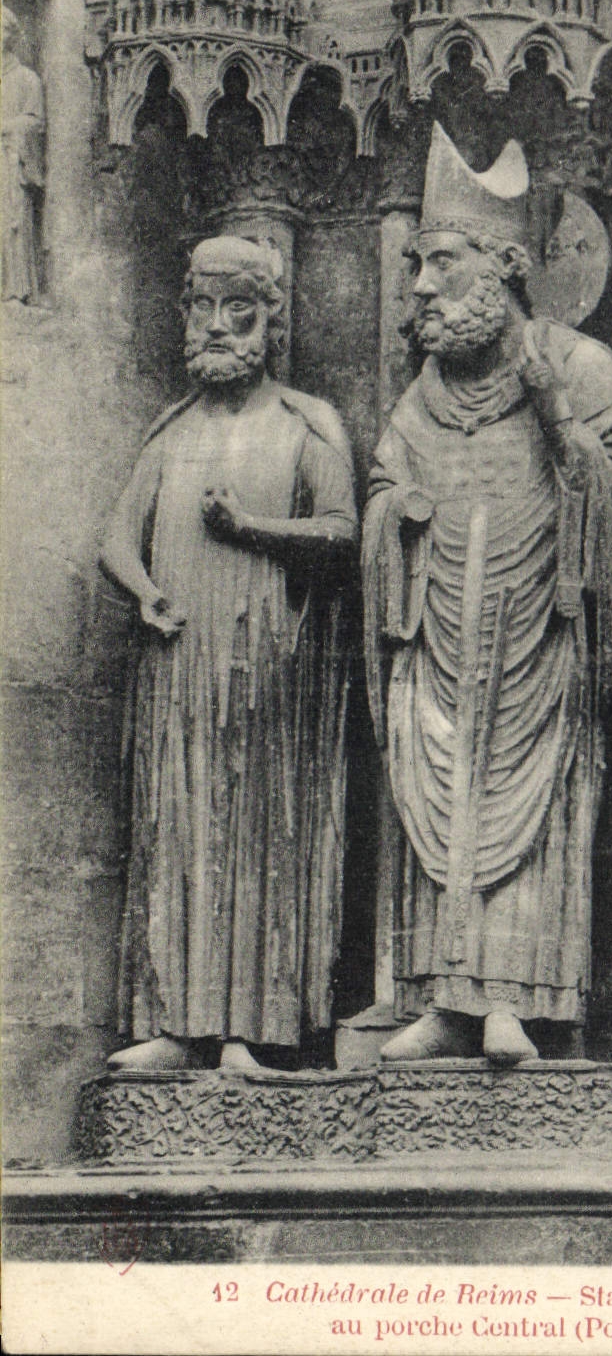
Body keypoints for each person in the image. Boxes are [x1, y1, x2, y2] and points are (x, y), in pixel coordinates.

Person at [364, 123, 612, 1065]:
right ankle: (443, 999)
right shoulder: (421, 397)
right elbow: (382, 491)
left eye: (441, 261)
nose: (420, 286)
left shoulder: (578, 365)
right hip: (439, 631)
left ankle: (514, 1003)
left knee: (529, 808)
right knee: (436, 794)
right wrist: (395, 517)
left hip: (538, 633)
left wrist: (552, 406)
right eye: (416, 265)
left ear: (504, 266)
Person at [101, 236, 357, 1069]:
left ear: (269, 321)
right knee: (178, 830)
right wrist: (144, 590)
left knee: (256, 834)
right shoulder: (171, 432)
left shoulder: (306, 424)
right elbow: (115, 536)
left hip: (267, 664)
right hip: (179, 663)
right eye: (202, 308)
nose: (215, 326)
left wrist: (251, 527)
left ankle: (251, 1028)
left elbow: (342, 532)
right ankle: (176, 1025)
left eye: (236, 309)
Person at [2, 7, 46, 303]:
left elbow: (35, 122)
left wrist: (5, 128)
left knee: (11, 224)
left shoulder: (27, 79)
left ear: (10, 35)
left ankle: (15, 290)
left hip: (10, 161)